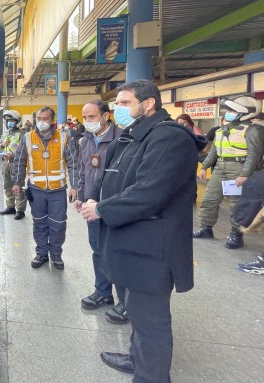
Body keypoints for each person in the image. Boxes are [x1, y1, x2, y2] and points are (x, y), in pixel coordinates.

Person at [80, 80, 206, 381]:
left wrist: (101, 210)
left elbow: (149, 192)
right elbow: (113, 176)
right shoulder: (135, 137)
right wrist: (95, 196)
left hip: (151, 251)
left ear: (148, 104)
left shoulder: (169, 139)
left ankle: (151, 375)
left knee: (151, 322)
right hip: (132, 245)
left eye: (124, 103)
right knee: (137, 314)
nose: (118, 109)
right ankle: (138, 360)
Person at [73, 100, 129, 324]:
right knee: (97, 249)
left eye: (92, 117)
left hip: (114, 206)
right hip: (91, 205)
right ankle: (103, 292)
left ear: (106, 116)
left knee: (118, 252)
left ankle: (126, 301)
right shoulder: (85, 140)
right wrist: (81, 195)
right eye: (85, 118)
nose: (88, 122)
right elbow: (83, 169)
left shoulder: (123, 139)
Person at [12, 106, 79, 269]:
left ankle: (56, 254)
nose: (41, 122)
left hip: (58, 191)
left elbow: (74, 163)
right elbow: (19, 161)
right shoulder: (27, 137)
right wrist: (17, 182)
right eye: (39, 119)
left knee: (58, 223)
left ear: (53, 121)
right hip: (36, 190)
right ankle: (41, 253)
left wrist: (75, 186)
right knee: (39, 223)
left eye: (45, 119)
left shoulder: (64, 138)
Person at [193, 95, 264, 249]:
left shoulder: (253, 130)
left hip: (239, 168)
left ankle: (236, 235)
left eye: (233, 110)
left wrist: (244, 174)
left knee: (236, 204)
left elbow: (254, 154)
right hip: (220, 167)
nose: (228, 113)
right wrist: (205, 167)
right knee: (209, 199)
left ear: (246, 113)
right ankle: (206, 228)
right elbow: (214, 151)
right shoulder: (221, 129)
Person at [0, 110, 27, 220]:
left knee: (17, 186)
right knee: (7, 186)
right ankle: (10, 207)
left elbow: (25, 150)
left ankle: (20, 210)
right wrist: (2, 145)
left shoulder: (22, 135)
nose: (10, 123)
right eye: (8, 121)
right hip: (5, 164)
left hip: (16, 164)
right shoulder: (5, 134)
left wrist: (13, 155)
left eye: (12, 121)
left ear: (17, 122)